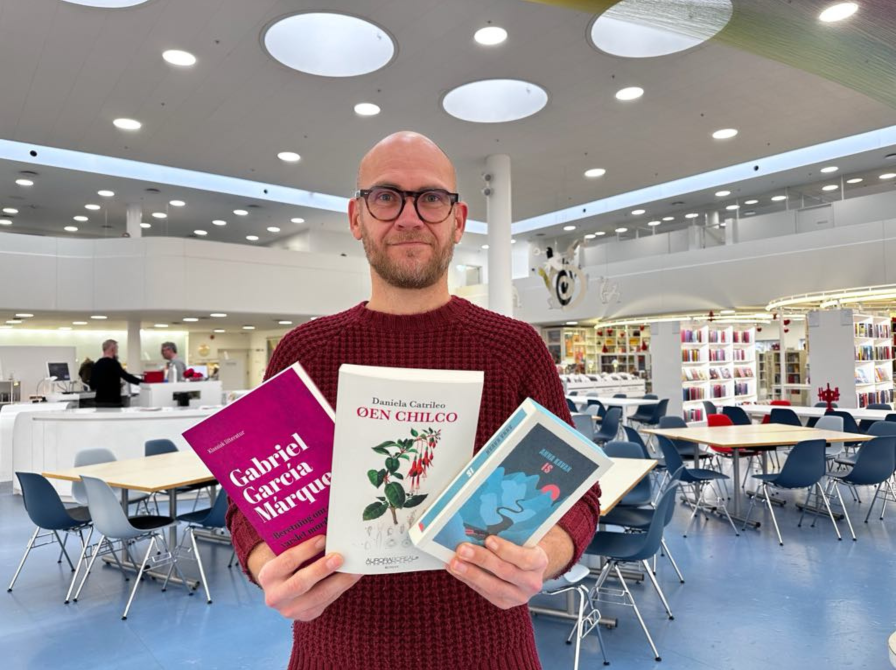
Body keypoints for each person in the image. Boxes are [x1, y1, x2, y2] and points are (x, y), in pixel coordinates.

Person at [225, 131, 602, 670]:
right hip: (336, 653)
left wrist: (547, 557)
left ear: (458, 218)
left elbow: (579, 492)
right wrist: (266, 564)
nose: (409, 217)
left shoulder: (516, 348)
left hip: (490, 653)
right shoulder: (304, 352)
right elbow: (249, 503)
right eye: (385, 197)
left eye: (430, 198)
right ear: (356, 218)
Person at [89, 339, 142, 407]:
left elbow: (92, 385)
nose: (117, 350)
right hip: (113, 402)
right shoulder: (114, 364)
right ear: (112, 349)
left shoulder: (96, 365)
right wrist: (143, 382)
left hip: (99, 402)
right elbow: (126, 377)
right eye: (117, 348)